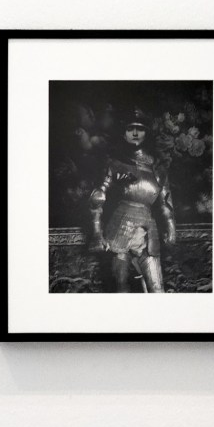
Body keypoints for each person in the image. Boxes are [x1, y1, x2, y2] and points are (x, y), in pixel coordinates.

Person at [88, 109, 176, 292]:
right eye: (130, 128)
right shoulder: (115, 163)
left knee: (157, 288)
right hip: (119, 228)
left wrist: (171, 228)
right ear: (123, 133)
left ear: (147, 133)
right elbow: (98, 197)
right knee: (121, 289)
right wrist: (96, 233)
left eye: (140, 128)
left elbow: (165, 202)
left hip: (149, 231)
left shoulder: (157, 168)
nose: (135, 133)